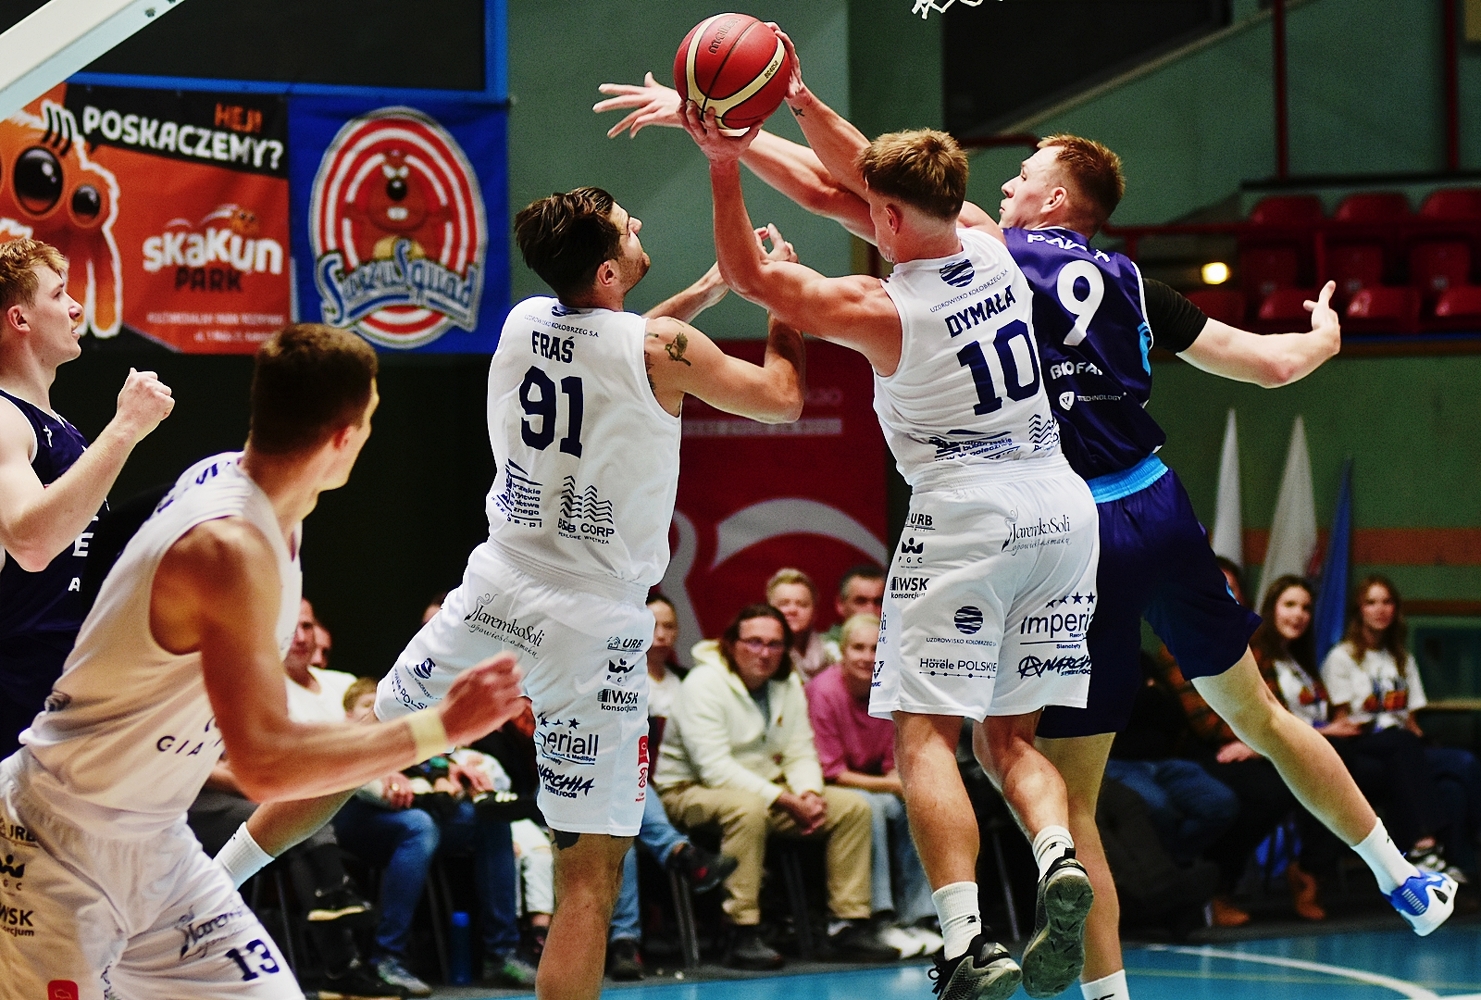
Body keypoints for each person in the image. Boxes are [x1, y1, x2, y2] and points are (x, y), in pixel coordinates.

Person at [596, 39, 1456, 989]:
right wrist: (1322, 335)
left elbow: (853, 184)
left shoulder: (990, 246)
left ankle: (1100, 988)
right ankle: (1401, 875)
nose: (1004, 187)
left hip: (1060, 524)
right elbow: (1270, 365)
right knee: (1257, 714)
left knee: (1059, 796)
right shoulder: (1127, 282)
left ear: (1051, 203)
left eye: (1023, 178)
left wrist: (740, 128)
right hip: (1151, 504)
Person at [679, 98, 1108, 998]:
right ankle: (1056, 854)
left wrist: (718, 163)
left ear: (885, 216)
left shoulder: (884, 308)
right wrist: (786, 108)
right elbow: (843, 181)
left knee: (923, 737)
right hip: (1062, 510)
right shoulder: (989, 240)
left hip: (968, 514)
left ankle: (965, 942)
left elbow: (750, 275)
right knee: (1009, 739)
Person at [366, 189, 806, 1000]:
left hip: (497, 586)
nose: (638, 225)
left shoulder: (524, 320)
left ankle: (222, 877)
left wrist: (701, 293)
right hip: (592, 619)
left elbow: (619, 350)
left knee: (350, 750)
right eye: (627, 226)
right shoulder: (659, 345)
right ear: (608, 272)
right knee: (589, 878)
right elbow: (781, 398)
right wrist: (783, 299)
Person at [0, 323, 525, 999]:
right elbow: (264, 763)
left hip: (157, 845)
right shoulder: (230, 547)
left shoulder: (269, 501)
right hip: (59, 843)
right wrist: (439, 728)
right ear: (344, 438)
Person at [0, 237, 175, 757]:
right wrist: (126, 426)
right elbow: (32, 544)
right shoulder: (4, 417)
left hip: (69, 692)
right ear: (19, 319)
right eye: (58, 295)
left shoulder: (61, 429)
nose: (76, 307)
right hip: (19, 701)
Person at [655, 603, 892, 969]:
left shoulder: (786, 683)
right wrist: (785, 799)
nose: (764, 653)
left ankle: (846, 925)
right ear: (731, 644)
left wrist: (809, 793)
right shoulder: (702, 683)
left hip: (767, 788)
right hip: (689, 790)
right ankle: (740, 929)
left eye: (774, 644)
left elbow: (800, 751)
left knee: (852, 807)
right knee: (746, 810)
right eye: (754, 642)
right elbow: (715, 769)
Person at [187, 598, 390, 998]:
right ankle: (337, 925)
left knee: (297, 821)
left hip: (257, 791)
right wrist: (252, 779)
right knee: (288, 816)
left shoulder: (251, 678)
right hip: (189, 803)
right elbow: (193, 762)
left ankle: (340, 938)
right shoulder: (191, 672)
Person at [334, 677, 539, 997]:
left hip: (418, 815)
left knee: (489, 818)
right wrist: (393, 773)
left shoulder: (405, 741)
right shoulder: (343, 739)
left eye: (378, 705)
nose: (375, 712)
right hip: (355, 822)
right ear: (348, 715)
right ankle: (386, 958)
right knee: (419, 825)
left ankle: (501, 953)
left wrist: (451, 772)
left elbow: (435, 763)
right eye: (366, 706)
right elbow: (378, 793)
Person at [606, 592, 737, 982]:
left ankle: (626, 940)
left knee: (630, 810)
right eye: (653, 625)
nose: (661, 634)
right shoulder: (613, 679)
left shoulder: (687, 682)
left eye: (669, 626)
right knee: (621, 833)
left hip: (663, 787)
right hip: (612, 787)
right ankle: (681, 854)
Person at [1322, 576, 1480, 882]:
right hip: (1362, 743)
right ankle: (1423, 844)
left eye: (1387, 602)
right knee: (1402, 744)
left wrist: (1426, 751)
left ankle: (1447, 860)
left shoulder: (1402, 658)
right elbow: (1340, 720)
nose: (1380, 609)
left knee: (1461, 768)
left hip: (1404, 745)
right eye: (1371, 602)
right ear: (1359, 610)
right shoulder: (1342, 657)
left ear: (1395, 609)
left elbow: (1411, 722)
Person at [807, 612, 942, 958]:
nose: (867, 657)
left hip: (873, 783)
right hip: (828, 785)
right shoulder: (823, 691)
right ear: (842, 651)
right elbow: (831, 772)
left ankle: (919, 917)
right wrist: (892, 786)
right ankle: (880, 918)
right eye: (858, 648)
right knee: (873, 807)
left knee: (915, 805)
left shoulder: (888, 690)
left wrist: (900, 783)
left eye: (875, 648)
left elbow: (890, 762)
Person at [767, 567, 833, 679]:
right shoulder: (763, 655)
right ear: (769, 610)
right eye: (784, 604)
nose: (792, 610)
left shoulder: (834, 654)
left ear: (814, 612)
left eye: (802, 604)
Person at [823, 563, 885, 657]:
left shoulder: (902, 647)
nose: (870, 610)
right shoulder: (821, 651)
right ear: (840, 604)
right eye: (861, 601)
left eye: (878, 602)